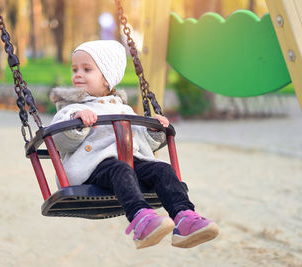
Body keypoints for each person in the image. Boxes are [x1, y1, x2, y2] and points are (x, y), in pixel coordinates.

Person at [49, 40, 219, 249]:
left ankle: (185, 218)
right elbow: (60, 139)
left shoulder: (125, 109)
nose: (78, 74)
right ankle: (142, 220)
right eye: (75, 69)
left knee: (162, 169)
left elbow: (142, 141)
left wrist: (154, 131)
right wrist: (77, 120)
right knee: (120, 169)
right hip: (93, 168)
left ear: (107, 79)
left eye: (87, 69)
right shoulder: (70, 108)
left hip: (131, 163)